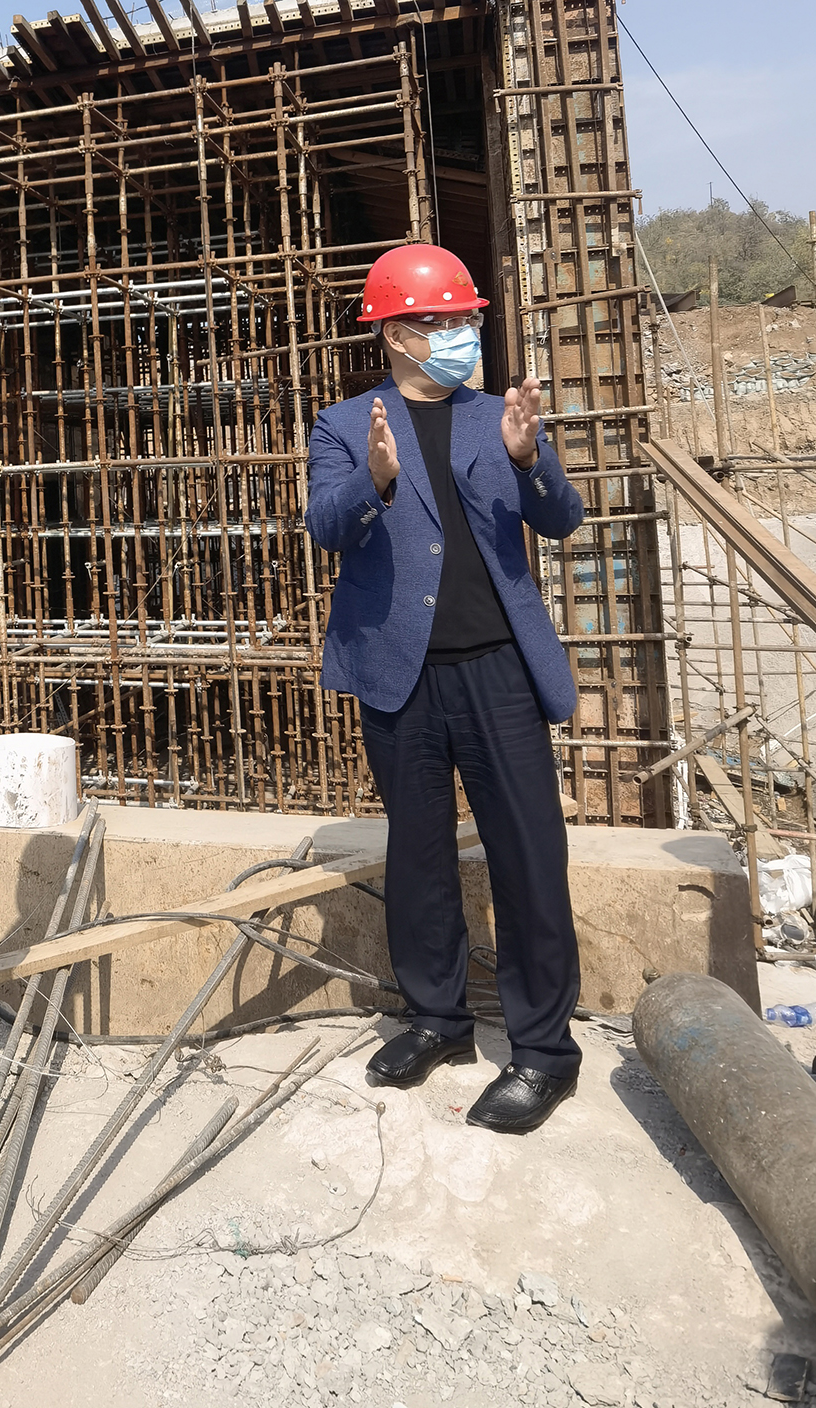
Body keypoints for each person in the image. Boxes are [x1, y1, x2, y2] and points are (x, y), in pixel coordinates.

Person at [305, 243, 586, 1135]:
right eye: (443, 321)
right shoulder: (345, 425)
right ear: (395, 333)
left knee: (528, 854)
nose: (463, 333)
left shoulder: (499, 416)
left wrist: (531, 459)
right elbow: (324, 526)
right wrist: (374, 480)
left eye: (467, 319)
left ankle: (543, 1053)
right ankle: (437, 1020)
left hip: (498, 669)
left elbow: (564, 518)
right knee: (419, 855)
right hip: (401, 673)